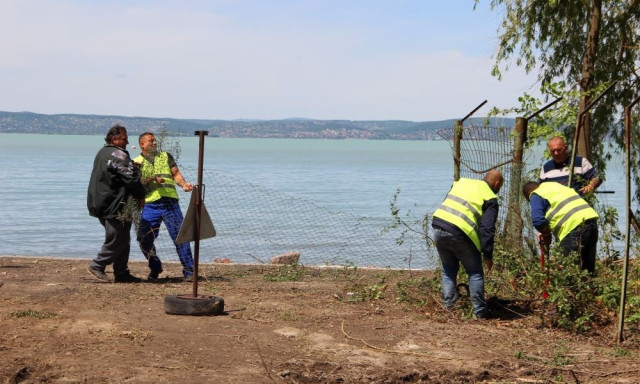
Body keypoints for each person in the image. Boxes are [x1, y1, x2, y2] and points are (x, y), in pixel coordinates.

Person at [431, 169, 503, 318]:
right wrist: (488, 255)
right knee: (475, 273)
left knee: (448, 270)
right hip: (460, 232)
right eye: (499, 187)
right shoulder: (490, 197)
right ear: (497, 184)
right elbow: (487, 229)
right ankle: (480, 313)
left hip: (438, 225)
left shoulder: (461, 183)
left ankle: (449, 309)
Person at [87, 125, 146, 283]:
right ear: (115, 139)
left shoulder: (103, 152)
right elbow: (131, 179)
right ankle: (97, 265)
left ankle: (121, 272)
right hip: (113, 203)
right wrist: (141, 196)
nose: (127, 142)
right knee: (117, 237)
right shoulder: (117, 154)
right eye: (124, 139)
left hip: (100, 201)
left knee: (124, 237)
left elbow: (117, 172)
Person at [133, 132, 195, 281]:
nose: (155, 143)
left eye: (155, 141)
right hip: (151, 204)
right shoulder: (136, 161)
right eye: (151, 141)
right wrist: (152, 179)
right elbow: (136, 184)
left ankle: (190, 272)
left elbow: (176, 174)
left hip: (170, 202)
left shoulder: (166, 156)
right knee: (144, 239)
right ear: (142, 144)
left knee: (180, 237)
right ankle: (155, 267)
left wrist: (183, 184)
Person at [522, 181, 599, 274]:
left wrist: (546, 234)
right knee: (587, 271)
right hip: (591, 222)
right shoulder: (556, 186)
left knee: (565, 273)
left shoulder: (535, 194)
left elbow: (538, 221)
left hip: (573, 229)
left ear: (528, 195)